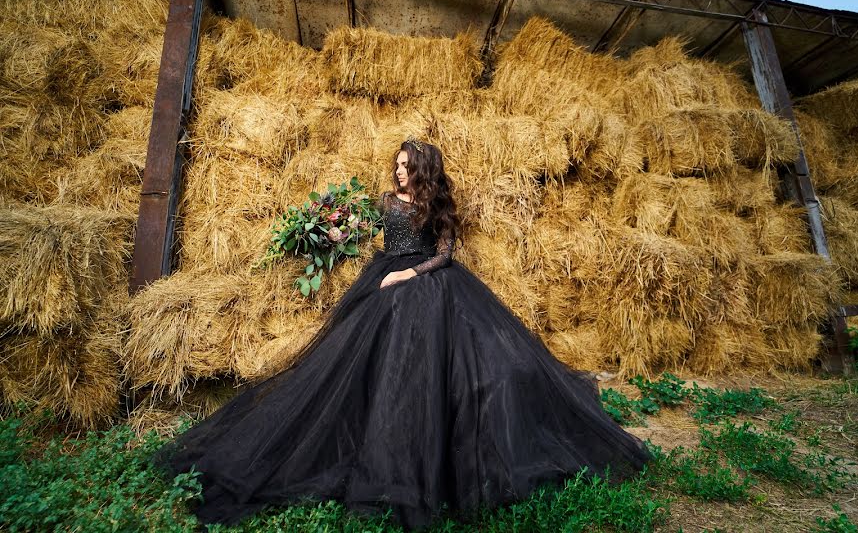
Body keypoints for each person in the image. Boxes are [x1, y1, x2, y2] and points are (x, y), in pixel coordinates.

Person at [153, 138, 652, 529]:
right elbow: (369, 227)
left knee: (444, 366)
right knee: (355, 367)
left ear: (423, 169)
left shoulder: (436, 204)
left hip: (429, 283)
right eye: (395, 165)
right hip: (384, 275)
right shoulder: (386, 200)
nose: (397, 171)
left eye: (405, 165)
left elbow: (446, 254)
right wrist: (332, 230)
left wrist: (409, 275)